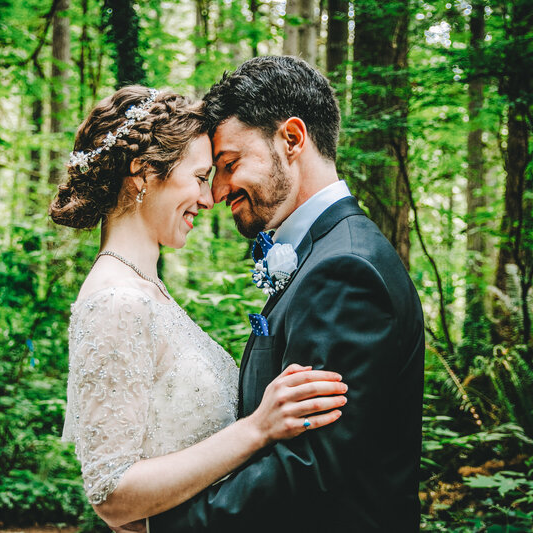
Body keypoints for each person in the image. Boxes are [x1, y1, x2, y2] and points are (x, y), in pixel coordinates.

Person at [147, 56, 425, 532]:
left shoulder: (345, 269)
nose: (217, 192)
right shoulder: (327, 252)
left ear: (292, 140)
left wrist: (166, 525)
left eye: (230, 164)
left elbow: (308, 467)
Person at [52, 86, 348, 531]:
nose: (210, 199)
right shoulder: (116, 301)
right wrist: (256, 430)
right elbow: (111, 492)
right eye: (198, 178)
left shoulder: (147, 289)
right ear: (143, 173)